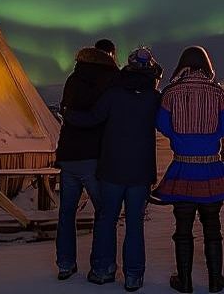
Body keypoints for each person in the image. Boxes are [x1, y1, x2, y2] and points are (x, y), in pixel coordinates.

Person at [65, 47, 164, 292]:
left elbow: (93, 119)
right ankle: (133, 275)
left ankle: (102, 270)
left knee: (107, 219)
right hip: (140, 172)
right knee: (134, 223)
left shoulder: (113, 94)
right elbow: (165, 124)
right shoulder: (154, 98)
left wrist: (69, 115)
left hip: (111, 169)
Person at [153, 45, 224, 293]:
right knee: (213, 227)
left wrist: (182, 136)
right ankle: (215, 280)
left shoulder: (170, 94)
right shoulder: (219, 93)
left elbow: (162, 125)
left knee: (182, 228)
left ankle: (185, 281)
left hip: (182, 168)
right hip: (212, 168)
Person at [53, 38, 119, 280]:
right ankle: (101, 267)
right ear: (111, 55)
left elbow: (67, 112)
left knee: (66, 212)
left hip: (69, 155)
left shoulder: (73, 79)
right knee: (104, 212)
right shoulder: (111, 81)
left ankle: (65, 263)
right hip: (93, 156)